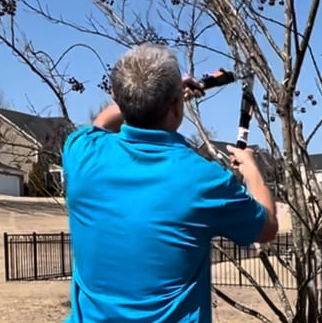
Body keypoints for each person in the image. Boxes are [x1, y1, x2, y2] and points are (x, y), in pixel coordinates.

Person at [62, 43, 278, 323]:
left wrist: (153, 97)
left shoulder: (82, 154)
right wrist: (252, 171)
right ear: (176, 106)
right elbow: (267, 227)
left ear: (116, 97)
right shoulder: (203, 180)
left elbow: (101, 123)